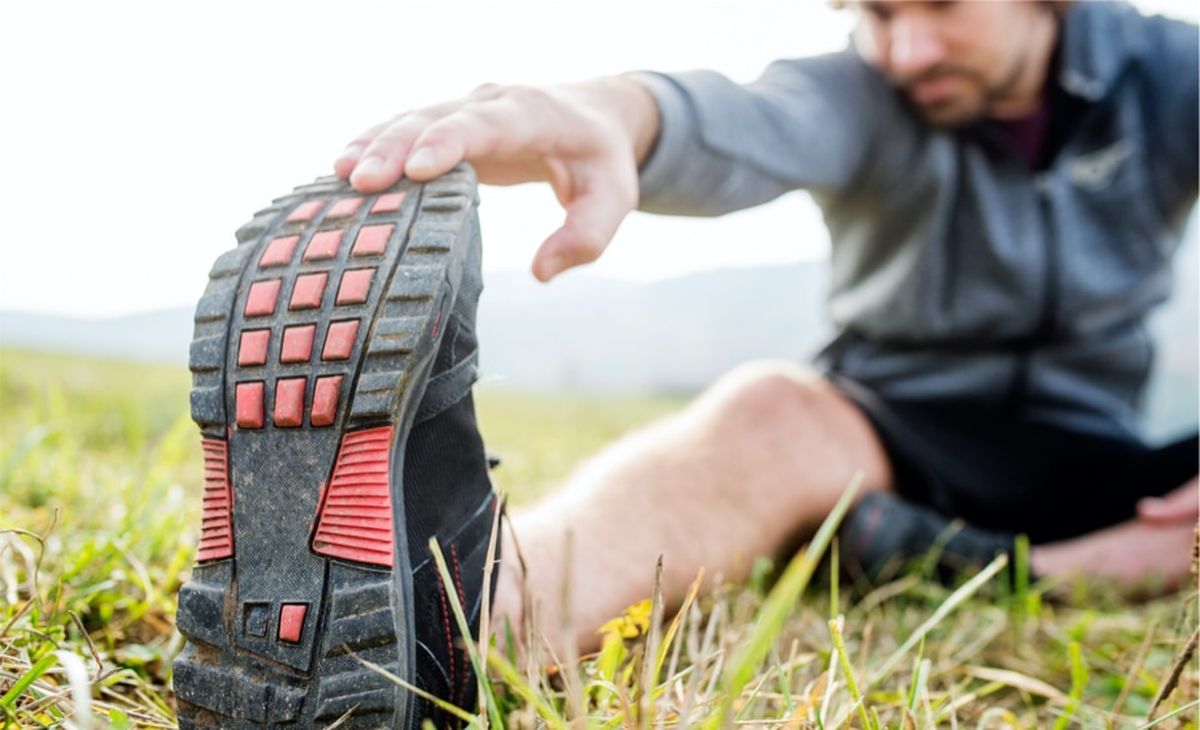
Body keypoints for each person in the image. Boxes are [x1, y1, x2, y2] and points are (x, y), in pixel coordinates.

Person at [172, 2, 1198, 726]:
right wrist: (609, 114)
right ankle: (442, 632)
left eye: (939, 3)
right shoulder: (869, 92)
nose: (905, 45)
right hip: (884, 433)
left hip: (1100, 455)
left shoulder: (1169, 74)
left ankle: (958, 556)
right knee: (767, 409)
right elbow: (742, 117)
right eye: (877, 12)